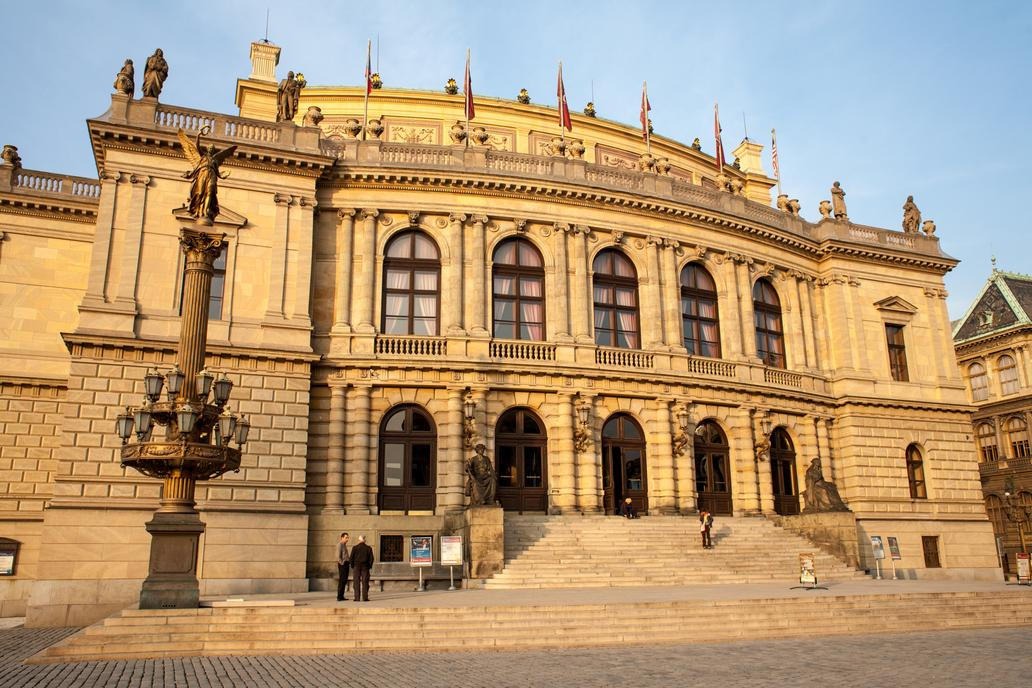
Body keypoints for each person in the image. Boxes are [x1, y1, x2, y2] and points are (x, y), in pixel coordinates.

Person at [349, 534, 375, 602]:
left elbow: (351, 558)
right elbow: (371, 559)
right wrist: (369, 566)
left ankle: (357, 598)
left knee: (356, 582)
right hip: (365, 566)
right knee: (365, 582)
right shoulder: (368, 548)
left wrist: (352, 566)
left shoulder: (355, 548)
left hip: (356, 566)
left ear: (359, 540)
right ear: (365, 540)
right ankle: (365, 598)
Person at [336, 532, 350, 602]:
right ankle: (339, 596)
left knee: (344, 580)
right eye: (346, 537)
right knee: (342, 580)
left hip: (346, 564)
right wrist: (342, 563)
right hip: (342, 565)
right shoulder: (339, 545)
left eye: (348, 537)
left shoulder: (344, 545)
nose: (347, 539)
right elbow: (338, 556)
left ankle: (342, 596)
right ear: (342, 538)